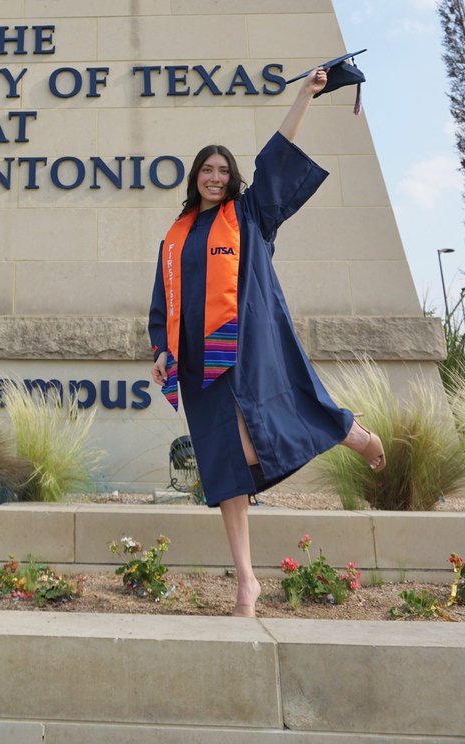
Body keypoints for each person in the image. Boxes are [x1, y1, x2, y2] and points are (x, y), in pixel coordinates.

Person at [148, 66, 386, 618]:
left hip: (250, 345)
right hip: (198, 364)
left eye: (221, 170)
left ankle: (352, 431)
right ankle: (246, 583)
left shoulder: (249, 214)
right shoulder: (175, 237)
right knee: (225, 464)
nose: (214, 176)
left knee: (279, 418)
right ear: (194, 178)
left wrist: (305, 95)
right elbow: (164, 300)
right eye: (206, 170)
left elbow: (276, 156)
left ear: (230, 179)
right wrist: (161, 349)